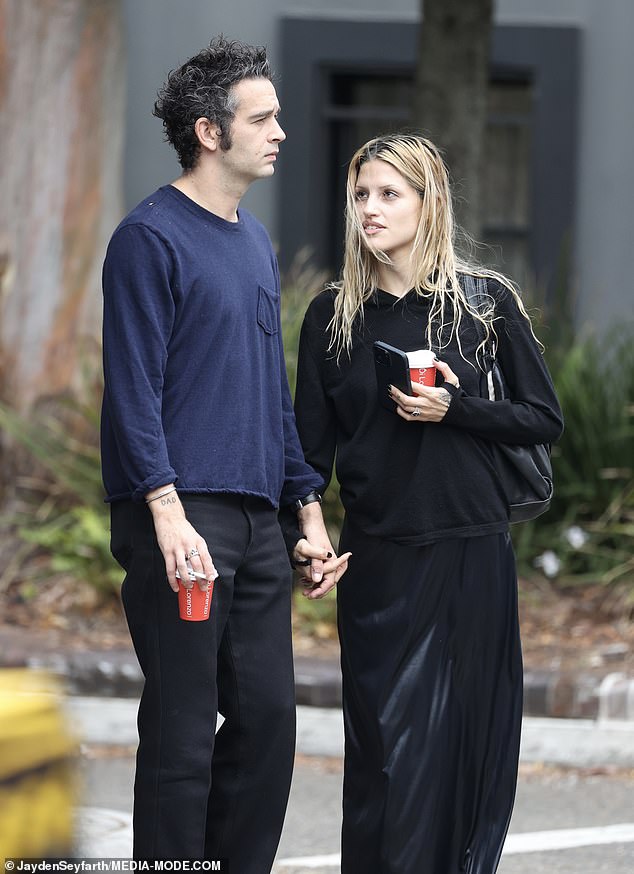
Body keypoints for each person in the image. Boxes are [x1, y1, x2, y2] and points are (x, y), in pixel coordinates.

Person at [100, 37, 349, 867]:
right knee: (181, 734)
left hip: (253, 524)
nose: (280, 130)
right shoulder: (149, 238)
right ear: (210, 132)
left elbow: (267, 392)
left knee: (270, 721)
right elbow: (132, 389)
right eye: (264, 117)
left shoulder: (251, 241)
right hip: (182, 516)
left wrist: (306, 511)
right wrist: (164, 512)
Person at [293, 133, 564, 874]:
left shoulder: (484, 304)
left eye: (388, 194)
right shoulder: (331, 318)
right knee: (383, 757)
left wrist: (458, 406)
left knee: (463, 750)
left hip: (473, 554)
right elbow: (307, 458)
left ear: (429, 201)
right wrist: (308, 532)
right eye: (360, 196)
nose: (370, 210)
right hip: (379, 562)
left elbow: (544, 419)